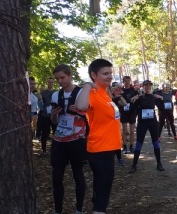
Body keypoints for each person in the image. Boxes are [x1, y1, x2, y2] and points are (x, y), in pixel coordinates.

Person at [76, 59, 122, 214]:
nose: (110, 76)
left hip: (109, 148)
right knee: (102, 192)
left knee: (103, 189)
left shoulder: (105, 93)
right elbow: (81, 107)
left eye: (110, 73)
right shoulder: (93, 92)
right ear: (94, 75)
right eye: (105, 73)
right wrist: (88, 85)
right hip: (99, 149)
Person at [49, 64, 88, 214]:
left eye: (62, 77)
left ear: (70, 76)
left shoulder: (80, 94)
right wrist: (54, 114)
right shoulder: (55, 95)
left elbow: (91, 117)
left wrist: (79, 112)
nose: (60, 81)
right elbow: (54, 121)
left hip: (77, 139)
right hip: (59, 140)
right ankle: (58, 210)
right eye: (57, 78)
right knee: (57, 177)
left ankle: (79, 209)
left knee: (78, 174)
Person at [128, 80, 165, 173]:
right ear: (143, 87)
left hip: (152, 122)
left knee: (156, 142)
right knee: (139, 144)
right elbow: (131, 110)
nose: (147, 88)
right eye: (146, 86)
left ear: (151, 87)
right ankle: (134, 165)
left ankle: (159, 164)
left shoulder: (154, 97)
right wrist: (133, 101)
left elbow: (161, 108)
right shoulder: (139, 98)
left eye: (149, 86)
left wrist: (161, 99)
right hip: (142, 123)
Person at [120, 76, 139, 155]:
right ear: (123, 82)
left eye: (128, 81)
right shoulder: (121, 90)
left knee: (132, 131)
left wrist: (136, 95)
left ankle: (131, 146)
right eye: (125, 81)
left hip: (132, 111)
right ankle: (124, 146)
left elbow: (140, 95)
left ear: (130, 81)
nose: (127, 82)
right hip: (124, 111)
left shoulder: (133, 90)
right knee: (124, 131)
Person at [38, 77, 57, 155]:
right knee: (45, 133)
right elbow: (40, 105)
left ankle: (55, 150)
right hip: (45, 116)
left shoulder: (57, 92)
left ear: (54, 83)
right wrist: (39, 100)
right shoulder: (43, 93)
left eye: (52, 82)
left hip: (54, 115)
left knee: (56, 133)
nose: (50, 84)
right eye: (49, 82)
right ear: (47, 83)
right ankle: (43, 149)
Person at [111, 82, 127, 166]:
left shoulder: (117, 98)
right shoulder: (107, 96)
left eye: (116, 87)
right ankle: (111, 158)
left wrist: (120, 96)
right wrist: (112, 92)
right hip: (107, 121)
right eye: (113, 86)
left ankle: (119, 158)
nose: (115, 88)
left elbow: (124, 104)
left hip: (116, 121)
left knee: (117, 139)